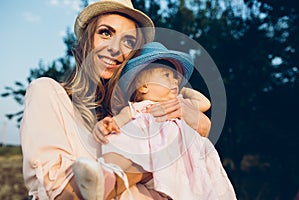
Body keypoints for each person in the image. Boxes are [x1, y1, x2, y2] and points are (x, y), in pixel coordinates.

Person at [20, 1, 211, 200]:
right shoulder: (50, 94)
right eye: (105, 33)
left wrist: (201, 124)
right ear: (86, 39)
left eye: (128, 42)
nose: (115, 49)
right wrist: (150, 162)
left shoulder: (139, 111)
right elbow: (59, 193)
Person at [75, 42, 236, 200]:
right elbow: (118, 121)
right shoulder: (137, 108)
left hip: (172, 162)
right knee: (123, 148)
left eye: (176, 78)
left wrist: (183, 91)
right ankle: (103, 175)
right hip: (144, 153)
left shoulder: (177, 103)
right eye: (167, 75)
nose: (175, 81)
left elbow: (204, 103)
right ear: (143, 86)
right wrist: (107, 125)